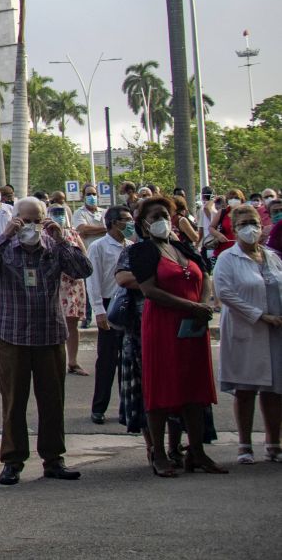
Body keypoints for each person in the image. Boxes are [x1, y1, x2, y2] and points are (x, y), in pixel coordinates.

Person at [0, 196, 92, 486]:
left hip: (49, 334)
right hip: (12, 334)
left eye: (37, 220)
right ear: (15, 219)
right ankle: (13, 461)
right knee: (14, 401)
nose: (31, 226)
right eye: (26, 220)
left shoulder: (54, 248)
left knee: (52, 401)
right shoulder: (4, 248)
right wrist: (5, 235)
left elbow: (83, 270)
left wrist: (61, 238)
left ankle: (54, 458)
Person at [128, 195, 225, 476]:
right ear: (144, 224)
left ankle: (196, 451)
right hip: (163, 325)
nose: (161, 220)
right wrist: (191, 306)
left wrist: (203, 303)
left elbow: (204, 274)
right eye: (155, 216)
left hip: (192, 326)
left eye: (165, 215)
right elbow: (149, 290)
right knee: (162, 387)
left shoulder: (181, 246)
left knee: (194, 387)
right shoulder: (143, 251)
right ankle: (158, 453)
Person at [213, 202, 282, 464]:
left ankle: (274, 443)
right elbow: (225, 293)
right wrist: (259, 315)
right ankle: (244, 445)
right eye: (242, 225)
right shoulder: (227, 259)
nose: (249, 229)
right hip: (245, 328)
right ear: (234, 229)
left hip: (274, 330)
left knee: (274, 389)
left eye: (253, 223)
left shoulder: (272, 256)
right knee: (245, 389)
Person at [85, 205, 133, 425]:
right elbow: (92, 279)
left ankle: (127, 406)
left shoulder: (131, 246)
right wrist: (98, 310)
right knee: (107, 360)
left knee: (129, 360)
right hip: (108, 302)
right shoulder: (99, 247)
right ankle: (98, 407)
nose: (130, 223)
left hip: (129, 302)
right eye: (126, 219)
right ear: (114, 222)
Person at [48, 194, 89, 376]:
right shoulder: (44, 235)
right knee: (54, 322)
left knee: (72, 323)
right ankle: (55, 361)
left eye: (61, 212)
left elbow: (83, 258)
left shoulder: (73, 234)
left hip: (73, 284)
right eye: (55, 213)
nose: (59, 216)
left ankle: (72, 361)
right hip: (56, 284)